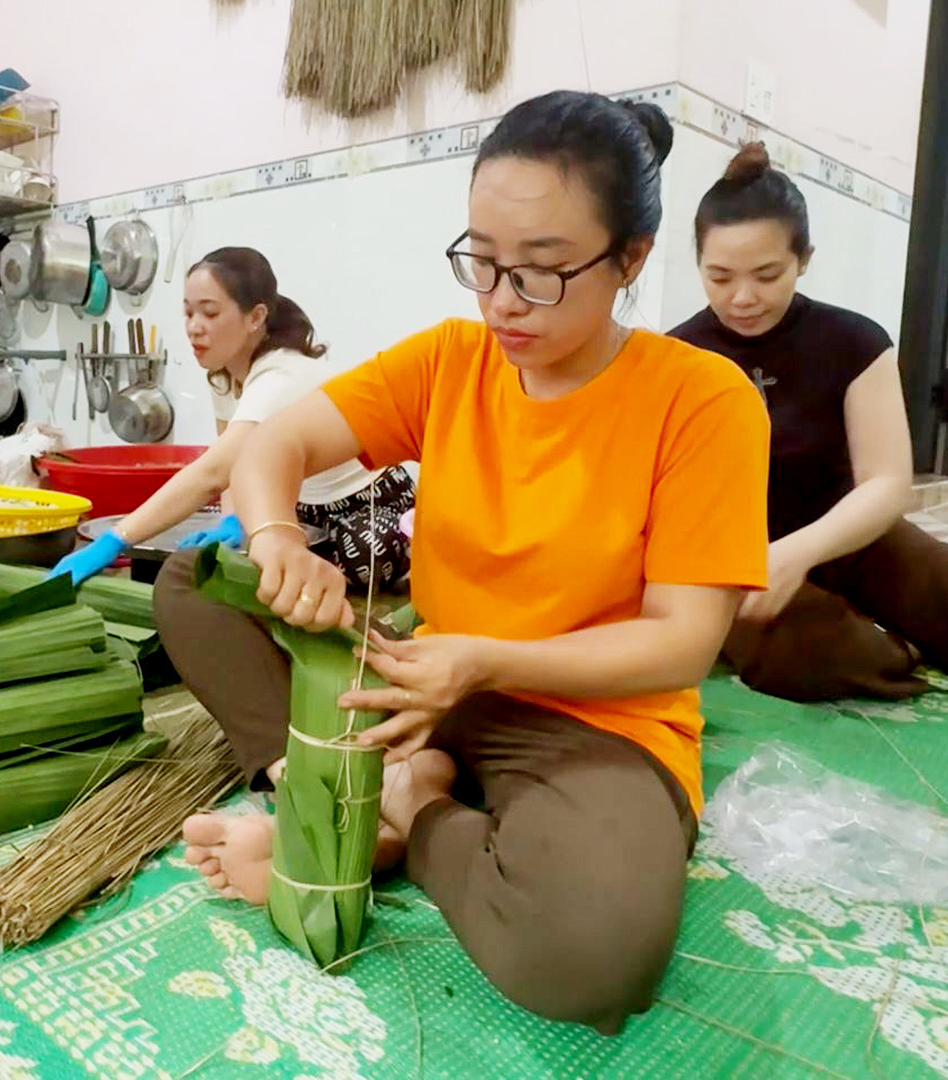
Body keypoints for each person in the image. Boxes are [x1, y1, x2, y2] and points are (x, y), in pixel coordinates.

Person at [154, 91, 772, 1034]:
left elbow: (682, 645)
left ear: (631, 259)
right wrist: (278, 542)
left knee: (588, 961)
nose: (500, 303)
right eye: (481, 261)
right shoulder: (452, 359)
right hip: (423, 676)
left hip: (588, 716)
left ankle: (407, 815)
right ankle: (322, 788)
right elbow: (270, 448)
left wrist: (483, 663)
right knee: (193, 584)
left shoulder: (702, 399)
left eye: (543, 273)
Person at [669, 143, 948, 701]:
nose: (743, 297)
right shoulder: (677, 356)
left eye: (767, 274)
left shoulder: (855, 341)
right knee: (809, 660)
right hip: (733, 559)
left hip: (845, 536)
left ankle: (876, 622)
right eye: (720, 277)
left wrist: (796, 553)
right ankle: (893, 650)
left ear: (804, 258)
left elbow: (887, 483)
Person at [49, 247, 417, 588]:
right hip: (302, 506)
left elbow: (211, 473)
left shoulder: (280, 377)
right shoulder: (224, 374)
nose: (194, 326)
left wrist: (116, 539)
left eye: (209, 313)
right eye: (188, 312)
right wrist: (232, 519)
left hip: (368, 502)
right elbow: (232, 464)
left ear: (256, 317)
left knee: (354, 561)